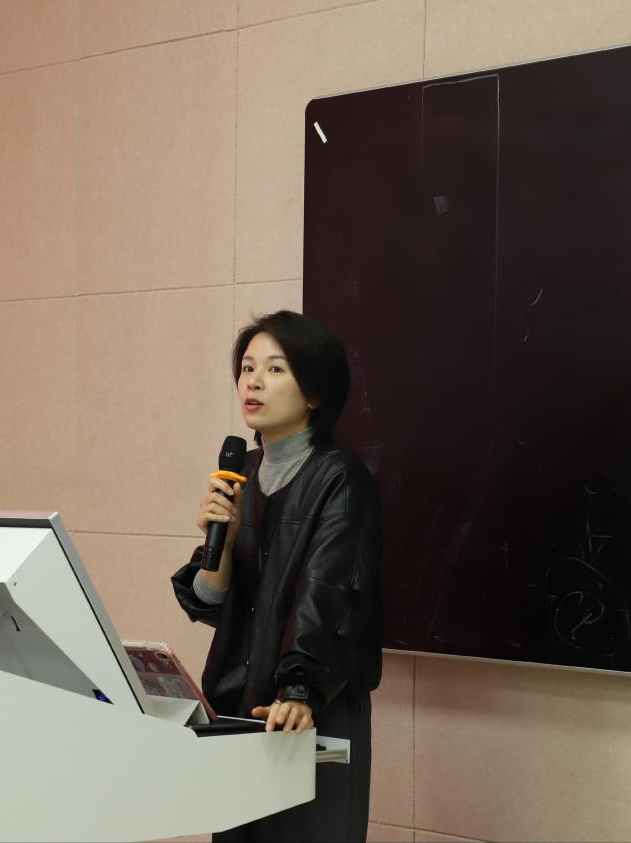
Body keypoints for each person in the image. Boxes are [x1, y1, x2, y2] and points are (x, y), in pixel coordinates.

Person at [171, 310, 383, 842]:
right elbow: (212, 601)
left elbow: (329, 593)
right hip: (238, 709)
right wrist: (220, 543)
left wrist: (299, 690)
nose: (254, 382)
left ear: (314, 393)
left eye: (275, 369)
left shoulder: (340, 478)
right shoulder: (239, 473)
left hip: (308, 708)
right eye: (247, 368)